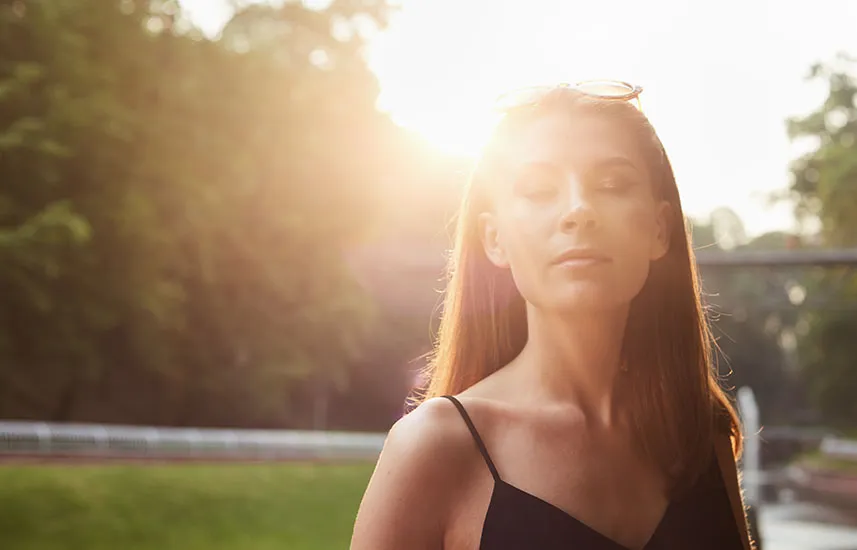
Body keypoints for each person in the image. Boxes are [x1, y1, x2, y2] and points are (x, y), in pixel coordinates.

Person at [350, 81, 755, 550]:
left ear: (660, 230)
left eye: (611, 185)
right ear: (495, 239)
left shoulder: (701, 436)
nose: (579, 211)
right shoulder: (434, 450)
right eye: (540, 190)